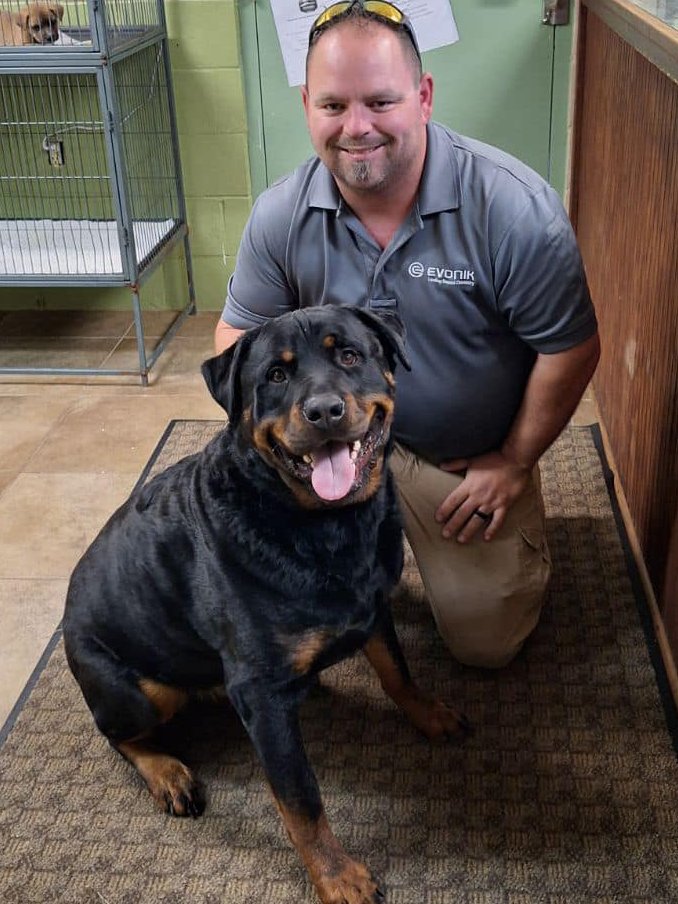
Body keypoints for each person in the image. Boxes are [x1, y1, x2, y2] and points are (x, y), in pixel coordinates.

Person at [214, 0, 600, 668]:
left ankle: (484, 524)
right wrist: (280, 445)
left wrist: (513, 459)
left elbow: (570, 348)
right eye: (333, 106)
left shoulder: (510, 208)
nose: (357, 127)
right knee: (256, 594)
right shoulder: (281, 213)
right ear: (307, 104)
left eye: (381, 102)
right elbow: (234, 336)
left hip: (457, 459)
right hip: (330, 442)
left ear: (423, 96)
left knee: (486, 645)